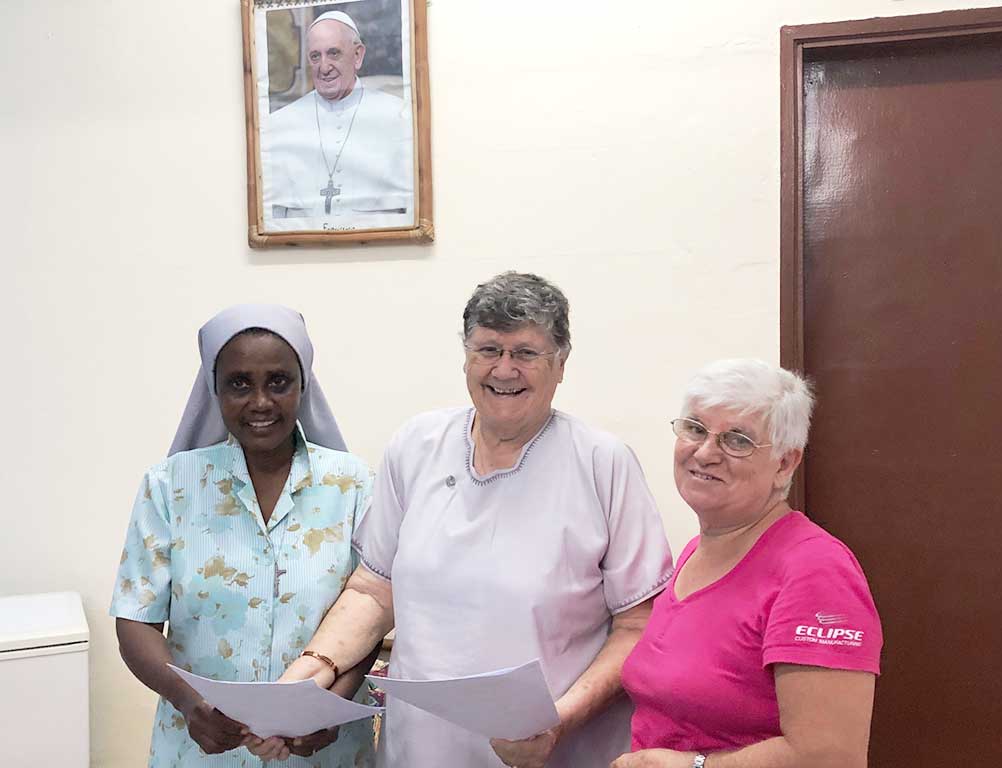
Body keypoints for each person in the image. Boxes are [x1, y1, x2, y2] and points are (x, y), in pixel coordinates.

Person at [251, 272, 674, 767]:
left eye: (526, 353)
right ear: (467, 357)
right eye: (488, 350)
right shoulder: (416, 445)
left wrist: (559, 721)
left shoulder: (603, 463)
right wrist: (312, 671)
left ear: (561, 363)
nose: (505, 369)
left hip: (548, 750)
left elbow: (638, 625)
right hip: (422, 747)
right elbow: (373, 588)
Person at [110, 304, 377, 767]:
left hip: (325, 751)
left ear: (303, 385)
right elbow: (135, 620)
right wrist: (191, 702)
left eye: (278, 381)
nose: (260, 401)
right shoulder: (169, 486)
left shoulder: (352, 486)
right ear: (214, 389)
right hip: (202, 747)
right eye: (239, 383)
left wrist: (333, 704)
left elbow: (371, 611)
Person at [613, 359, 882, 768]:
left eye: (736, 440)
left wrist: (695, 767)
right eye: (695, 429)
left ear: (785, 464)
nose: (705, 452)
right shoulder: (696, 554)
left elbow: (832, 757)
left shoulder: (815, 569)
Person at [262, 11, 414, 227]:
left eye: (333, 53)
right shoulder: (279, 124)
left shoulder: (399, 117)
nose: (324, 67)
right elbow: (272, 219)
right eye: (316, 56)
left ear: (358, 55)